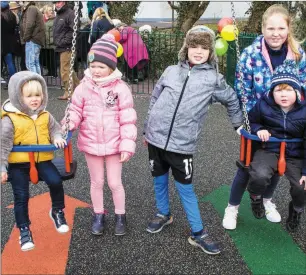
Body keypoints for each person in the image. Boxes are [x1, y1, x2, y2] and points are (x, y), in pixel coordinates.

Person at [143, 25, 243, 255]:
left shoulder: (213, 79)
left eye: (204, 48)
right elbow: (155, 97)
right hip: (156, 139)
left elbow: (232, 99)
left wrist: (238, 124)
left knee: (185, 189)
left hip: (182, 144)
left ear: (210, 52)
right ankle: (163, 213)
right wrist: (147, 129)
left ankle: (198, 233)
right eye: (194, 46)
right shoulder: (170, 71)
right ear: (186, 48)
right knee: (159, 180)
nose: (198, 51)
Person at [222, 4, 306, 230]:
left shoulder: (298, 55)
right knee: (248, 167)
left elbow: (304, 89)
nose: (275, 33)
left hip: (289, 120)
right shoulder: (250, 54)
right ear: (262, 28)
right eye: (270, 28)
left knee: (279, 165)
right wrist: (254, 120)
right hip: (258, 118)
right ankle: (232, 207)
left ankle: (267, 200)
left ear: (288, 29)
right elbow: (243, 91)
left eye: (280, 28)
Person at [64, 34, 137, 236]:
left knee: (115, 183)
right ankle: (98, 214)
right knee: (96, 182)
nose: (96, 70)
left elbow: (128, 118)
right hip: (91, 142)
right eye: (93, 65)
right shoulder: (83, 88)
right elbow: (75, 111)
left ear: (111, 68)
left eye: (101, 66)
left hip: (114, 144)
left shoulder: (120, 89)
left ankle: (120, 215)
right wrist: (69, 123)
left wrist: (127, 145)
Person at [1, 71, 70, 252]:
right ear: (18, 97)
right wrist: (2, 167)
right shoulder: (10, 119)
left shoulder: (45, 115)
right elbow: (3, 146)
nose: (35, 99)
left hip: (42, 160)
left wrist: (56, 138)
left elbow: (56, 130)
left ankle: (57, 211)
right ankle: (24, 229)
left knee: (56, 181)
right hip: (18, 164)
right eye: (29, 96)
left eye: (38, 95)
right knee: (21, 196)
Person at [247, 60, 306, 232]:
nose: (283, 94)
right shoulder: (263, 105)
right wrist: (260, 130)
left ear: (297, 91)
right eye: (278, 90)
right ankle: (256, 198)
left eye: (288, 89)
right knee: (258, 175)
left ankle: (296, 211)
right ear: (272, 92)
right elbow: (252, 121)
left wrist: (305, 172)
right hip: (270, 150)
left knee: (301, 187)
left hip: (295, 154)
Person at [53, 1, 80, 100]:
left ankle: (68, 92)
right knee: (69, 70)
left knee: (65, 71)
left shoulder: (69, 14)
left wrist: (64, 41)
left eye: (58, 2)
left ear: (64, 2)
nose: (56, 4)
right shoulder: (61, 14)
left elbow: (74, 30)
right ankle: (78, 88)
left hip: (67, 46)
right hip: (63, 46)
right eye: (55, 2)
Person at [20, 1, 45, 74]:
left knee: (30, 64)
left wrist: (25, 38)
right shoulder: (32, 8)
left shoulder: (31, 8)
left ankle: (35, 84)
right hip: (34, 39)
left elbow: (30, 24)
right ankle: (38, 83)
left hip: (32, 40)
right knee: (34, 63)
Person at [1, 1, 18, 80]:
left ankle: (11, 80)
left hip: (4, 44)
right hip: (12, 42)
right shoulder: (13, 16)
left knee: (9, 63)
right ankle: (13, 79)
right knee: (11, 63)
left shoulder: (1, 17)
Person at [40, 4, 57, 77]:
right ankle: (50, 72)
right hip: (44, 43)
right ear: (46, 11)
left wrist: (52, 40)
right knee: (46, 60)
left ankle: (54, 73)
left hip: (51, 43)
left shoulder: (54, 20)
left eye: (52, 10)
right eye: (50, 10)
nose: (52, 11)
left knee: (52, 60)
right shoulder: (42, 20)